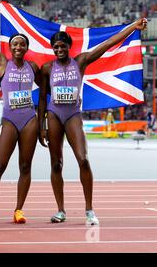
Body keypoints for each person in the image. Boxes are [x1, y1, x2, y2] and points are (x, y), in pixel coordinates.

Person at [38, 18, 148, 225]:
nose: (59, 49)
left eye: (62, 46)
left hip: (72, 115)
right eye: (55, 47)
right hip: (53, 115)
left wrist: (132, 27)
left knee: (83, 159)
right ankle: (60, 210)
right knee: (56, 164)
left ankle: (89, 210)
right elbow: (42, 99)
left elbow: (107, 45)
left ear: (69, 47)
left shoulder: (80, 61)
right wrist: (40, 126)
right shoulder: (46, 68)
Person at [0, 0, 41, 225]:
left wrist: (42, 119)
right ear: (10, 47)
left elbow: (45, 91)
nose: (17, 47)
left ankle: (19, 210)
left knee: (25, 166)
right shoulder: (2, 63)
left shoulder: (33, 67)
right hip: (9, 120)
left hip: (30, 120)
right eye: (14, 44)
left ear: (26, 48)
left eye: (21, 44)